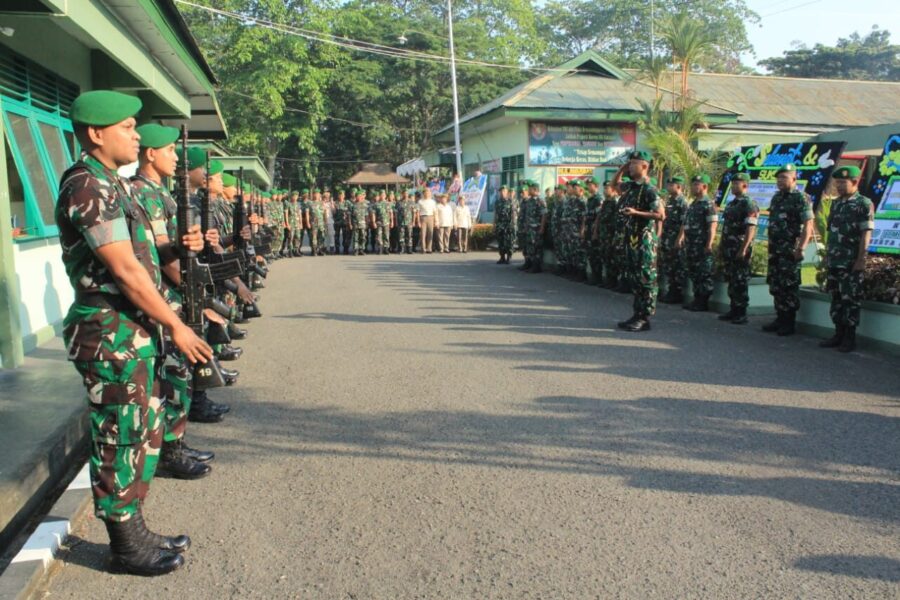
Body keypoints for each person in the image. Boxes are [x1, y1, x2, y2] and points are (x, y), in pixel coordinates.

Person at [56, 90, 213, 576]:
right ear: (96, 133)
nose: (137, 134)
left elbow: (145, 255)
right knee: (118, 435)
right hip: (108, 332)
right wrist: (176, 325)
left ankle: (136, 529)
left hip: (130, 329)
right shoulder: (86, 185)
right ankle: (125, 545)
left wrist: (178, 246)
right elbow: (124, 271)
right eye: (127, 126)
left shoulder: (115, 185)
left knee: (141, 429)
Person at [130, 123, 216, 481]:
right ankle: (170, 449)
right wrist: (193, 290)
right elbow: (162, 258)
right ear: (151, 154)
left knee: (178, 373)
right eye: (169, 151)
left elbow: (171, 248)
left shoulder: (158, 194)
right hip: (163, 298)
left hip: (170, 297)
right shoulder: (144, 194)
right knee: (174, 374)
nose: (176, 158)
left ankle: (175, 443)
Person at [819, 166, 874, 352]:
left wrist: (861, 259)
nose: (839, 186)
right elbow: (831, 234)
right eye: (837, 183)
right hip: (835, 260)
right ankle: (838, 333)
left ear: (855, 182)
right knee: (836, 298)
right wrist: (827, 256)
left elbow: (866, 233)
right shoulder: (836, 204)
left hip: (850, 262)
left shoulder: (863, 204)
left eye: (843, 183)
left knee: (850, 299)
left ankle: (849, 338)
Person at [762, 164, 814, 336]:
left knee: (789, 285)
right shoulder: (777, 198)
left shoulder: (801, 198)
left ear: (794, 179)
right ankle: (780, 317)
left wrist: (802, 247)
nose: (780, 181)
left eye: (783, 178)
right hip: (775, 250)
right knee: (776, 284)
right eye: (778, 178)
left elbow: (808, 225)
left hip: (790, 251)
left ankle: (789, 322)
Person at [617, 151, 665, 332]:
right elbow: (615, 185)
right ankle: (636, 314)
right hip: (633, 240)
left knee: (646, 279)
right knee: (636, 279)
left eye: (633, 164)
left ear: (644, 167)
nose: (630, 167)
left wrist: (636, 213)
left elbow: (661, 215)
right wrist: (622, 169)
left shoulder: (650, 189)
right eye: (629, 164)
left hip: (645, 241)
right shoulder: (633, 187)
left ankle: (644, 318)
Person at [718, 173, 759, 324]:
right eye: (733, 183)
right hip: (729, 248)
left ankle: (741, 312)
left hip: (740, 248)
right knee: (732, 279)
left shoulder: (749, 204)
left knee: (740, 280)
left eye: (737, 183)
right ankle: (733, 309)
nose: (734, 186)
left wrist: (743, 249)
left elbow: (751, 228)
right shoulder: (732, 204)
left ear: (745, 185)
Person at [679, 174, 718, 312]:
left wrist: (708, 244)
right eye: (693, 184)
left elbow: (712, 226)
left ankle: (702, 301)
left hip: (702, 245)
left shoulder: (709, 204)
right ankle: (697, 299)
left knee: (704, 273)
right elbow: (686, 224)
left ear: (705, 187)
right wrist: (682, 237)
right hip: (692, 245)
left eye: (697, 184)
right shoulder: (694, 204)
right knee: (694, 272)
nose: (693, 187)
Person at [658, 177, 688, 303]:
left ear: (679, 186)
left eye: (671, 185)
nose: (669, 187)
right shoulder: (670, 200)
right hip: (667, 238)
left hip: (675, 238)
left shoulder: (682, 202)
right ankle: (671, 291)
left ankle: (676, 293)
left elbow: (684, 222)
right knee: (669, 265)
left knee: (677, 266)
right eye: (668, 185)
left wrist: (680, 238)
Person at [594, 179, 620, 288]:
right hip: (604, 234)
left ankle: (613, 281)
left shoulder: (616, 202)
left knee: (612, 258)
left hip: (611, 234)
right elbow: (599, 218)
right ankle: (608, 280)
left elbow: (618, 220)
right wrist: (596, 231)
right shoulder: (605, 202)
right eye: (604, 188)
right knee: (605, 256)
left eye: (607, 188)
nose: (604, 190)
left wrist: (616, 236)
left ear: (613, 189)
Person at [525, 180, 548, 273]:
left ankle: (537, 266)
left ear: (535, 190)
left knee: (537, 247)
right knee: (531, 247)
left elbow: (544, 215)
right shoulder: (529, 201)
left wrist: (542, 228)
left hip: (537, 228)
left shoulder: (540, 201)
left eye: (530, 189)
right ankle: (531, 264)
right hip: (530, 228)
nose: (528, 191)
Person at [493, 185, 516, 264]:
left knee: (508, 241)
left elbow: (513, 214)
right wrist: (494, 224)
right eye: (501, 191)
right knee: (501, 241)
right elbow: (495, 214)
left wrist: (513, 224)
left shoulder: (510, 201)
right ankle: (502, 257)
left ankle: (508, 258)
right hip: (500, 225)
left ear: (507, 192)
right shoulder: (497, 202)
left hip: (508, 225)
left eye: (504, 191)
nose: (502, 193)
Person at [349, 188, 369, 255]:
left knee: (363, 237)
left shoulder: (365, 205)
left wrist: (367, 223)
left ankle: (361, 249)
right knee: (356, 237)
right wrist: (350, 224)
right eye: (357, 196)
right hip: (355, 223)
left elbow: (366, 215)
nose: (359, 197)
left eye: (360, 196)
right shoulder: (353, 205)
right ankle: (356, 249)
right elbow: (350, 215)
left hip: (363, 223)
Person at [417, 188, 436, 253]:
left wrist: (436, 220)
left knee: (430, 233)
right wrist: (418, 221)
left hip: (431, 217)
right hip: (423, 217)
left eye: (428, 192)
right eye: (426, 192)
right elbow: (418, 212)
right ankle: (423, 248)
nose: (427, 193)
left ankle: (429, 248)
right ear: (423, 193)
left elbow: (435, 212)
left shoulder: (432, 202)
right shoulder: (420, 201)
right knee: (423, 234)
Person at [332, 188, 351, 255]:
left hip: (345, 223)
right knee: (336, 236)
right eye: (340, 195)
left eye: (342, 195)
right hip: (337, 222)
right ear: (338, 196)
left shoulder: (347, 203)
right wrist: (333, 207)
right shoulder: (335, 203)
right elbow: (333, 213)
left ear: (344, 195)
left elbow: (351, 211)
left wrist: (349, 221)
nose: (341, 196)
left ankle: (345, 249)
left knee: (345, 236)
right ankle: (337, 249)